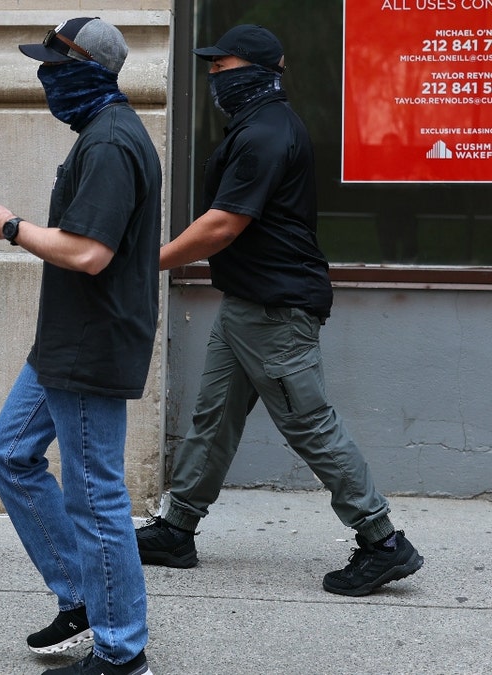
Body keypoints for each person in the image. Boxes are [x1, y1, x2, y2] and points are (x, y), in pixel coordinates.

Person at [135, 24, 424, 598]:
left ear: (259, 72)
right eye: (211, 70)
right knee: (213, 417)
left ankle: (383, 542)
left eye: (223, 69)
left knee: (310, 425)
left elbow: (223, 224)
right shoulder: (255, 125)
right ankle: (177, 529)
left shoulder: (266, 132)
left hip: (277, 310)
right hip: (247, 304)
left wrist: (147, 263)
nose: (214, 78)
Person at [0, 17, 160, 675]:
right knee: (11, 454)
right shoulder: (100, 135)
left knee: (95, 494)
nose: (45, 76)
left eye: (55, 64)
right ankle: (84, 594)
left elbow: (89, 251)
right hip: (67, 342)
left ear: (90, 69)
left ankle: (120, 647)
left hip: (92, 347)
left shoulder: (110, 142)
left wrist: (12, 226)